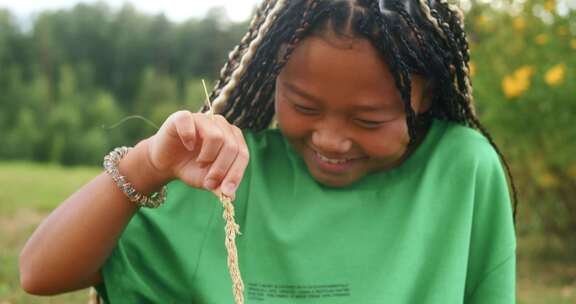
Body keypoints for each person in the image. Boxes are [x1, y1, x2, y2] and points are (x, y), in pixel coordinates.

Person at [19, 0, 517, 303]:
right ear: (271, 74)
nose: (330, 139)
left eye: (369, 119)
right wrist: (148, 164)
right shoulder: (226, 176)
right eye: (302, 104)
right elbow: (40, 272)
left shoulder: (463, 171)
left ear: (426, 95)